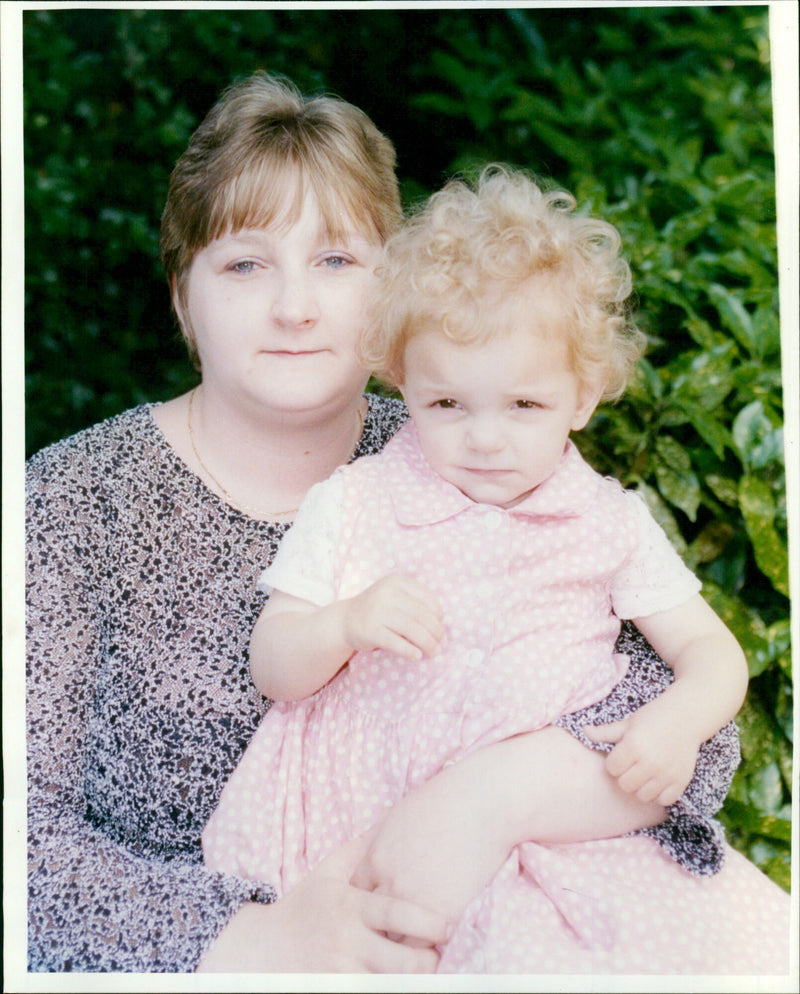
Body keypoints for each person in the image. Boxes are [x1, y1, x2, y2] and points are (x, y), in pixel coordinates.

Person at [27, 72, 746, 974]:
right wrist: (250, 943)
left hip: (501, 924)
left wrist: (494, 796)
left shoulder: (476, 442)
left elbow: (697, 733)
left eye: (336, 261)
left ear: (393, 289)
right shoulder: (70, 502)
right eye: (246, 263)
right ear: (182, 295)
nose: (295, 306)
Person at [202, 167, 790, 974]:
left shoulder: (607, 522)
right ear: (404, 384)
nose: (484, 440)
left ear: (582, 397)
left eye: (524, 407)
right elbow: (273, 666)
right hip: (361, 826)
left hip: (544, 834)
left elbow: (713, 654)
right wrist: (341, 625)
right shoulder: (354, 503)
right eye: (448, 405)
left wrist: (680, 718)